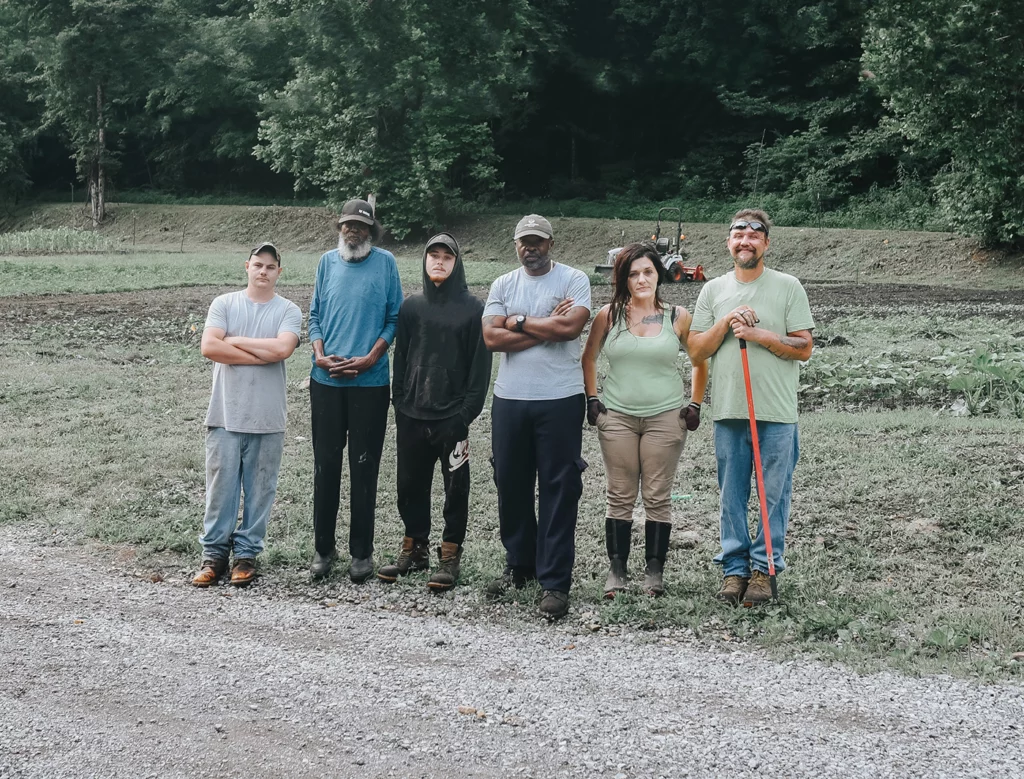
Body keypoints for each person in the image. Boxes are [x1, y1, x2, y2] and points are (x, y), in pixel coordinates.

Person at [688, 209, 814, 606]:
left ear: (766, 243)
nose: (746, 241)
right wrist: (726, 322)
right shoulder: (713, 291)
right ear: (729, 243)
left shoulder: (788, 286)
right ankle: (734, 569)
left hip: (775, 413)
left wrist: (759, 335)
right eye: (738, 235)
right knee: (731, 495)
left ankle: (764, 569)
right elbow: (696, 350)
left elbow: (804, 347)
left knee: (772, 495)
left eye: (754, 235)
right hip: (729, 410)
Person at [581, 242, 708, 599]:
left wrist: (695, 403)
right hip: (617, 417)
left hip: (666, 418)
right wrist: (592, 399)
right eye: (633, 273)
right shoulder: (609, 315)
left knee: (657, 495)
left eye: (648, 272)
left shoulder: (676, 316)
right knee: (619, 495)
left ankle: (654, 573)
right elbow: (588, 358)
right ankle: (617, 571)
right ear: (623, 278)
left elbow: (699, 360)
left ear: (659, 274)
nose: (641, 279)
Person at [482, 214, 592, 620]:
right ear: (516, 245)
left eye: (539, 241)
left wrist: (519, 321)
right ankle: (520, 565)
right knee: (509, 481)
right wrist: (547, 326)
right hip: (510, 399)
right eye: (525, 241)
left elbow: (571, 328)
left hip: (560, 398)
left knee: (559, 488)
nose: (532, 247)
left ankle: (555, 581)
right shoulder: (503, 284)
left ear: (550, 243)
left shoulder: (573, 279)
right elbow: (491, 338)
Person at [380, 233, 491, 590]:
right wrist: (400, 403)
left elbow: (480, 369)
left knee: (455, 489)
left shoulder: (474, 309)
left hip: (452, 418)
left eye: (447, 256)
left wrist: (464, 415)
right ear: (425, 262)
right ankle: (414, 549)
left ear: (457, 263)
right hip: (412, 413)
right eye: (433, 255)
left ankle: (449, 554)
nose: (439, 261)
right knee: (409, 486)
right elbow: (401, 357)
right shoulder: (411, 307)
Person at [192, 242, 302, 587]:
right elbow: (209, 346)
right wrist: (260, 354)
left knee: (260, 490)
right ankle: (214, 556)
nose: (263, 271)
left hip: (267, 417)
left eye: (271, 266)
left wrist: (234, 342)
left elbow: (283, 348)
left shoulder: (289, 310)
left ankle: (246, 556)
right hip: (225, 413)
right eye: (258, 265)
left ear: (279, 272)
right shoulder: (224, 303)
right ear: (247, 267)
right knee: (220, 490)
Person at [307, 199, 403, 582]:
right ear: (339, 227)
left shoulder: (386, 264)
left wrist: (370, 358)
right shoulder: (326, 263)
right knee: (325, 466)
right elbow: (314, 315)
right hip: (327, 382)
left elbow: (393, 318)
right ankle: (323, 550)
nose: (353, 231)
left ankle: (361, 553)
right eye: (347, 225)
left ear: (371, 230)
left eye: (361, 226)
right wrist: (319, 355)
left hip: (370, 383)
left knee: (365, 468)